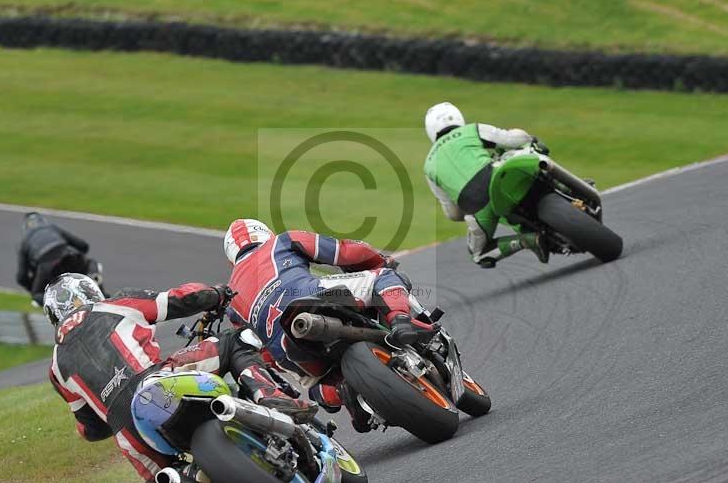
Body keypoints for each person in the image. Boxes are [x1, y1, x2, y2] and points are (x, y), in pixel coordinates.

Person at [44, 273, 317, 482]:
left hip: (129, 433)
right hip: (159, 382)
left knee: (170, 477)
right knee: (234, 342)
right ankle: (269, 396)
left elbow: (91, 429)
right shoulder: (113, 305)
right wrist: (217, 295)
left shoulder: (56, 368)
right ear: (88, 292)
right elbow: (179, 299)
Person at [223, 218, 435, 432]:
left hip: (287, 346)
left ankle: (342, 392)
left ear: (232, 257)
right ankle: (400, 321)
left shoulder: (231, 299)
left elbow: (259, 352)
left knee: (315, 385)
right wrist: (378, 261)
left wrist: (281, 363)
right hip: (314, 296)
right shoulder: (282, 241)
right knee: (383, 278)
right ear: (264, 233)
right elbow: (345, 251)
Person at [423, 102, 550, 268]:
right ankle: (570, 188)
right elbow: (511, 139)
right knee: (531, 153)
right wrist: (529, 139)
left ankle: (528, 241)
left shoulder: (428, 165)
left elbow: (453, 213)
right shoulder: (470, 130)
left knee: (479, 254)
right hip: (496, 178)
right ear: (458, 117)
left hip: (476, 206)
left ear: (430, 130)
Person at [15, 212, 104, 305]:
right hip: (70, 256)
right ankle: (98, 287)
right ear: (42, 221)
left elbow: (21, 278)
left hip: (47, 267)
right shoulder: (52, 227)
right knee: (91, 264)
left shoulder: (24, 243)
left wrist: (34, 286)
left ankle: (61, 305)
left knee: (37, 295)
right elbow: (83, 246)